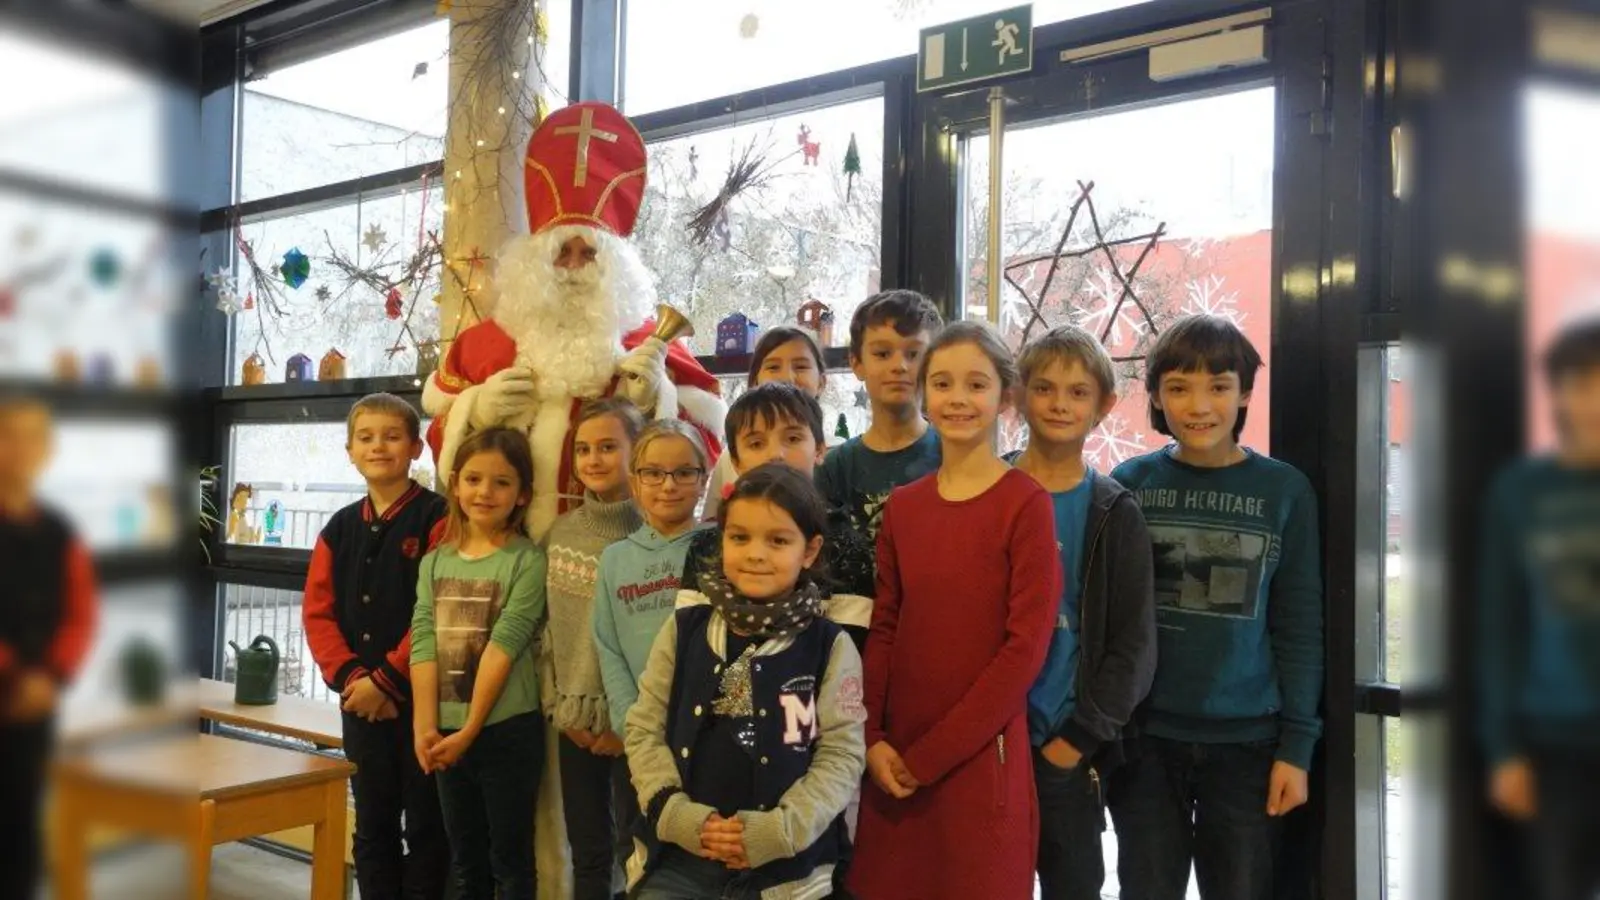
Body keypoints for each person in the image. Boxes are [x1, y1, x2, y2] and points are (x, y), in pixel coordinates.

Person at [421, 101, 725, 542]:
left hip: (618, 547)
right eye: (562, 253)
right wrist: (478, 410)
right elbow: (440, 442)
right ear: (536, 263)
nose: (575, 266)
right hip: (507, 546)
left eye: (590, 255)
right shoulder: (486, 343)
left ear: (613, 266)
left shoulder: (649, 344)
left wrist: (657, 400)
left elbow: (705, 446)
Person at [1107, 314, 1323, 900]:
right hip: (1145, 741)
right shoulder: (1129, 483)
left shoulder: (1284, 491)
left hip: (1249, 747)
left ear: (1246, 392)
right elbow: (1107, 622)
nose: (1199, 404)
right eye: (1178, 386)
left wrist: (1297, 749)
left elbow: (1299, 627)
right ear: (1155, 395)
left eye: (1219, 386)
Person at [848, 321, 1061, 900]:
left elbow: (1025, 651)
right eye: (942, 383)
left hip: (978, 755)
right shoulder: (904, 507)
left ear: (1003, 397)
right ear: (924, 394)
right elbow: (886, 626)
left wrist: (933, 756)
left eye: (976, 384)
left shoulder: (1026, 505)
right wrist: (873, 736)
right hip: (894, 759)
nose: (958, 399)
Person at [624, 463, 866, 899]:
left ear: (809, 551)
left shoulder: (830, 647)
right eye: (740, 537)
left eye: (777, 541)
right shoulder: (684, 629)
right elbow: (643, 729)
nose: (756, 553)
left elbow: (841, 756)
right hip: (680, 855)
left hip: (786, 868)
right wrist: (677, 816)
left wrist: (779, 831)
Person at [1007, 326, 1158, 900]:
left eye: (1077, 392)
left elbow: (1134, 645)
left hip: (1067, 745)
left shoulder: (1114, 511)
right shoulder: (989, 490)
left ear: (1104, 405)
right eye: (1044, 388)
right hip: (991, 742)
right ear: (1019, 396)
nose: (1060, 403)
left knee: (1074, 885)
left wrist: (1083, 735)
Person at [302, 392, 449, 900]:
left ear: (415, 447)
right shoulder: (339, 527)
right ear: (349, 450)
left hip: (424, 702)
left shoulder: (438, 518)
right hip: (358, 704)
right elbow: (317, 612)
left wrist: (387, 679)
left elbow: (438, 608)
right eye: (365, 437)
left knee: (428, 826)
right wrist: (353, 680)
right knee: (372, 824)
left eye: (391, 436)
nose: (378, 446)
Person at [1479, 317, 1600, 900]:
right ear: (1557, 393)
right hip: (1555, 746)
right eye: (1580, 383)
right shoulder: (1522, 491)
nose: (1593, 400)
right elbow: (1500, 627)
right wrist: (1505, 749)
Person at [411, 427, 549, 900]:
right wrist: (424, 727)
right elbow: (423, 643)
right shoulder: (434, 562)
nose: (485, 492)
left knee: (509, 862)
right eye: (473, 479)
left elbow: (504, 645)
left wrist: (469, 732)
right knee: (466, 861)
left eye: (501, 482)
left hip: (506, 731)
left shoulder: (527, 560)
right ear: (454, 483)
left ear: (522, 494)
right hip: (446, 735)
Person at [544, 398, 646, 900]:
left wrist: (626, 725)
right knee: (587, 850)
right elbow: (546, 635)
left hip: (637, 726)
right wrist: (563, 710)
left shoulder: (657, 537)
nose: (594, 459)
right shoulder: (560, 533)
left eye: (608, 446)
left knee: (637, 851)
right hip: (575, 722)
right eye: (583, 448)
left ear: (637, 452)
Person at [683, 383, 875, 647]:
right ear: (736, 461)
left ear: (819, 449)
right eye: (756, 443)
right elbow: (686, 644)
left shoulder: (846, 547)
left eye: (793, 439)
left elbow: (847, 657)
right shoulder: (705, 547)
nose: (775, 454)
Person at [0, 393, 96, 900]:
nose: (19, 448)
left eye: (33, 437)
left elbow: (80, 615)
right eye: (7, 435)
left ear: (47, 450)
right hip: (11, 689)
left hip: (34, 710)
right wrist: (17, 676)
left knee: (20, 836)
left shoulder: (60, 531)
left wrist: (50, 677)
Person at [592, 420, 713, 805]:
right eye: (653, 473)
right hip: (640, 739)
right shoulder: (615, 559)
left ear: (704, 477)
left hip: (709, 734)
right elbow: (608, 647)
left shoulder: (717, 549)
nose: (668, 484)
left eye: (683, 472)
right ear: (634, 481)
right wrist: (633, 727)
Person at [815, 290, 944, 541]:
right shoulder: (835, 469)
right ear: (856, 363)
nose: (899, 366)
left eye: (914, 354)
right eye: (883, 354)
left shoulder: (953, 456)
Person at [703, 326, 828, 520]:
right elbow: (713, 522)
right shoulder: (732, 455)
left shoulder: (837, 453)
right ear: (754, 382)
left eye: (801, 366)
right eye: (773, 367)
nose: (787, 377)